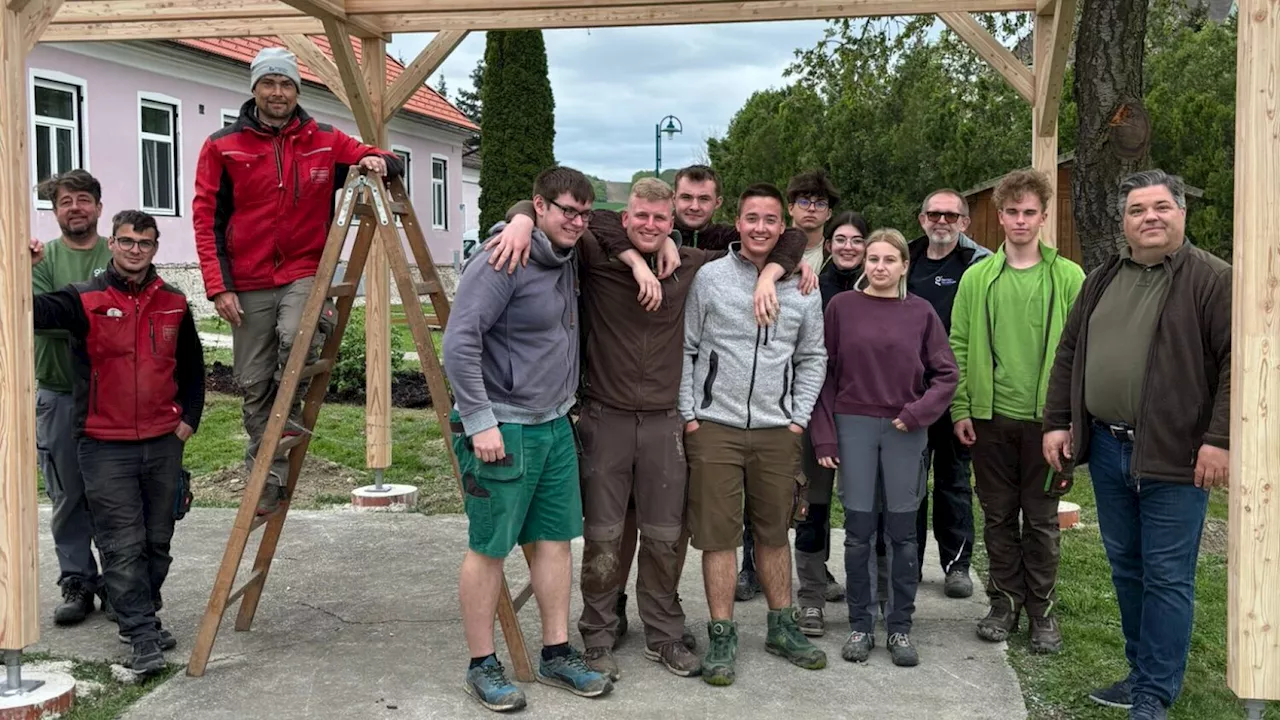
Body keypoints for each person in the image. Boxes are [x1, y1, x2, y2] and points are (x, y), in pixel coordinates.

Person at [490, 176, 806, 680]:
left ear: (673, 222)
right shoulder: (594, 253)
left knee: (665, 535)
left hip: (665, 422)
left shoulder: (695, 266)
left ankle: (663, 633)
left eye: (661, 219)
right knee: (603, 535)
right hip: (604, 417)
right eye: (640, 216)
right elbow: (546, 210)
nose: (650, 225)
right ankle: (597, 634)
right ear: (625, 214)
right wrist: (523, 221)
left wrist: (778, 270)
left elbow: (783, 238)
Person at [1043, 170, 1230, 720]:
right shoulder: (1102, 277)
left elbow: (1235, 366)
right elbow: (1070, 351)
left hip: (1177, 455)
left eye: (1161, 207)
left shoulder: (1212, 279)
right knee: (1127, 568)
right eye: (1137, 210)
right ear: (1123, 223)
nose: (1150, 217)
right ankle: (1139, 673)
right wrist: (1058, 420)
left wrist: (1219, 440)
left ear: (1181, 214)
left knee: (1168, 576)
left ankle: (1153, 693)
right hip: (1106, 447)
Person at [193, 46, 402, 515]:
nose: (277, 92)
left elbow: (380, 155)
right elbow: (205, 218)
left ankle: (282, 429)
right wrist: (217, 285)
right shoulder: (222, 146)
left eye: (286, 84)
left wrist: (379, 162)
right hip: (244, 280)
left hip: (305, 271)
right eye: (269, 83)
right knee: (252, 382)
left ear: (297, 90)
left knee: (299, 336)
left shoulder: (323, 139)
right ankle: (266, 480)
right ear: (254, 89)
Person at [442, 166, 612, 713]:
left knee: (555, 542)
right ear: (540, 206)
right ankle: (481, 664)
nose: (579, 222)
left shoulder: (565, 254)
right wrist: (480, 421)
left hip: (554, 422)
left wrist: (522, 214)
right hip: (504, 427)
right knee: (489, 547)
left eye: (585, 214)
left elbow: (621, 227)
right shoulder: (503, 257)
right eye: (568, 211)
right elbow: (460, 342)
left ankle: (557, 652)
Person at [30, 210, 205, 676]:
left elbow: (192, 369)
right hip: (104, 445)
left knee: (158, 541)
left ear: (154, 247)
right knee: (121, 543)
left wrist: (188, 420)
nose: (134, 250)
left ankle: (141, 612)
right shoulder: (82, 299)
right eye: (126, 241)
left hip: (162, 442)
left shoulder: (173, 302)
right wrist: (19, 265)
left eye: (144, 243)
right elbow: (30, 311)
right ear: (112, 243)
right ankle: (141, 634)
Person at [681, 183, 828, 686]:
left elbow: (813, 357)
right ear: (737, 223)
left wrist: (798, 418)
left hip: (776, 428)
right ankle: (722, 633)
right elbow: (689, 348)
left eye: (770, 220)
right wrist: (690, 414)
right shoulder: (711, 279)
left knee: (773, 532)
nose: (760, 228)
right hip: (715, 425)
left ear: (781, 227)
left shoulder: (805, 287)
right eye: (751, 218)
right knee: (718, 537)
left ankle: (782, 626)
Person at [949, 170, 1085, 653]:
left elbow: (1083, 354)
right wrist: (961, 407)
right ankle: (1004, 603)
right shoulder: (977, 278)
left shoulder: (1069, 277)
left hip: (1050, 427)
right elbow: (958, 345)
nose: (1021, 220)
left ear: (1044, 217)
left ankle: (1042, 613)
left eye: (1030, 212)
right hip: (990, 420)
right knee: (999, 517)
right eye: (1012, 212)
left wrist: (1067, 419)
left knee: (1043, 520)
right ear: (999, 217)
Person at [811, 228, 958, 667]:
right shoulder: (840, 308)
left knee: (902, 535)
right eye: (872, 259)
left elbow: (946, 375)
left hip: (903, 428)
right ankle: (860, 624)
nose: (878, 267)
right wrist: (824, 434)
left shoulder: (921, 312)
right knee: (857, 533)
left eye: (888, 260)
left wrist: (917, 414)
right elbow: (825, 373)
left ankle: (899, 628)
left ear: (903, 266)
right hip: (852, 425)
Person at [737, 169, 845, 605]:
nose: (811, 208)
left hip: (822, 391)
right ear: (789, 209)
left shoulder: (843, 259)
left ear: (829, 211)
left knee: (816, 492)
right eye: (803, 200)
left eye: (819, 201)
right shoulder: (766, 249)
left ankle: (816, 570)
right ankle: (751, 567)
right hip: (764, 393)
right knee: (759, 489)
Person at [31, 170, 113, 626]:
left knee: (114, 493)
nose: (75, 207)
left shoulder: (116, 251)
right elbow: (35, 316)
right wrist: (98, 317)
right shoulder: (43, 260)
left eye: (84, 199)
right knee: (66, 493)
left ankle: (118, 584)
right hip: (59, 392)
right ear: (56, 209)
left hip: (112, 397)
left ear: (99, 208)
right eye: (66, 201)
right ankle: (77, 581)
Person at [907, 189, 991, 599]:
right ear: (921, 218)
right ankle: (910, 562)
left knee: (955, 483)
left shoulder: (981, 265)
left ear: (964, 223)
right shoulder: (905, 259)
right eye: (934, 214)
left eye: (951, 215)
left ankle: (957, 565)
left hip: (957, 395)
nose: (942, 221)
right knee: (911, 483)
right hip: (910, 394)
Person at [796, 210, 867, 637]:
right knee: (813, 506)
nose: (847, 247)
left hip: (862, 413)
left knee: (863, 508)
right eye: (839, 239)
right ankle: (811, 595)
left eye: (856, 240)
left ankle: (867, 590)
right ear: (828, 244)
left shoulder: (880, 287)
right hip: (814, 406)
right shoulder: (810, 285)